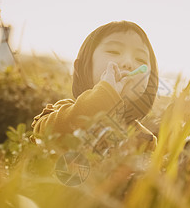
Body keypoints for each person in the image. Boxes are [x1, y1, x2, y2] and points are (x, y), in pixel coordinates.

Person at [31, 20, 159, 152]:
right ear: (82, 68)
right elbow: (50, 136)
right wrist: (105, 93)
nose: (128, 63)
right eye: (114, 51)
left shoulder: (146, 140)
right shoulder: (60, 114)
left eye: (140, 60)